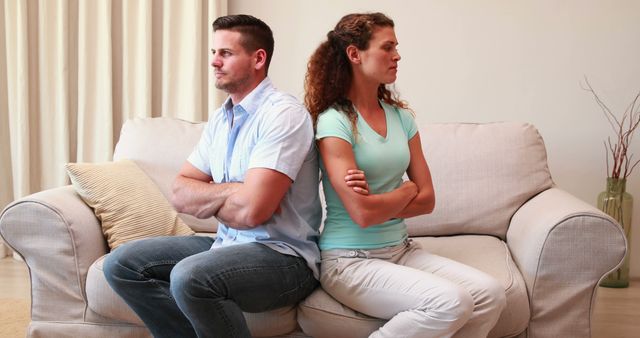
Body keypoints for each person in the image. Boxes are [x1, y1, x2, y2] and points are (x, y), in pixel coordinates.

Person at [103, 14, 321, 338]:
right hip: (226, 243)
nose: (214, 62)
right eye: (213, 52)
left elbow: (253, 211)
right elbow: (179, 193)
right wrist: (238, 190)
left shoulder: (283, 115)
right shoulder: (221, 119)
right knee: (120, 264)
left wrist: (220, 196)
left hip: (284, 258)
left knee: (190, 277)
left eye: (226, 53)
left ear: (258, 58)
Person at [304, 12, 506, 338]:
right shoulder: (334, 122)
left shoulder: (401, 119)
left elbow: (428, 200)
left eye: (396, 47)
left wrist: (388, 199)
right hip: (349, 261)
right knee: (451, 301)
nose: (397, 55)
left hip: (401, 250)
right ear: (355, 54)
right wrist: (404, 191)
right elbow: (362, 213)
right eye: (387, 47)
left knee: (491, 295)